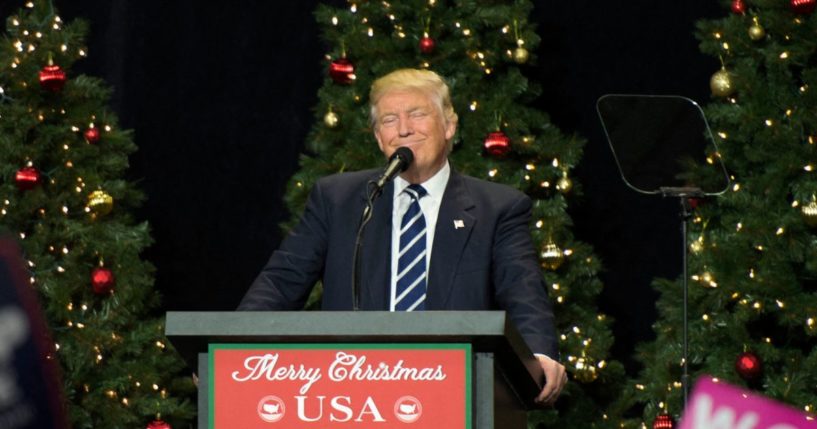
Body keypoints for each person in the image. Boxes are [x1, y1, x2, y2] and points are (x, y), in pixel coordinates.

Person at [239, 68, 567, 404]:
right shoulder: (338, 199)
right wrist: (230, 350)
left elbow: (522, 289)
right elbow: (282, 281)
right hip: (351, 395)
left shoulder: (497, 208)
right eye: (389, 119)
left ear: (449, 126)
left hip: (455, 393)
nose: (404, 128)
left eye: (417, 114)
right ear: (379, 137)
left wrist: (539, 353)